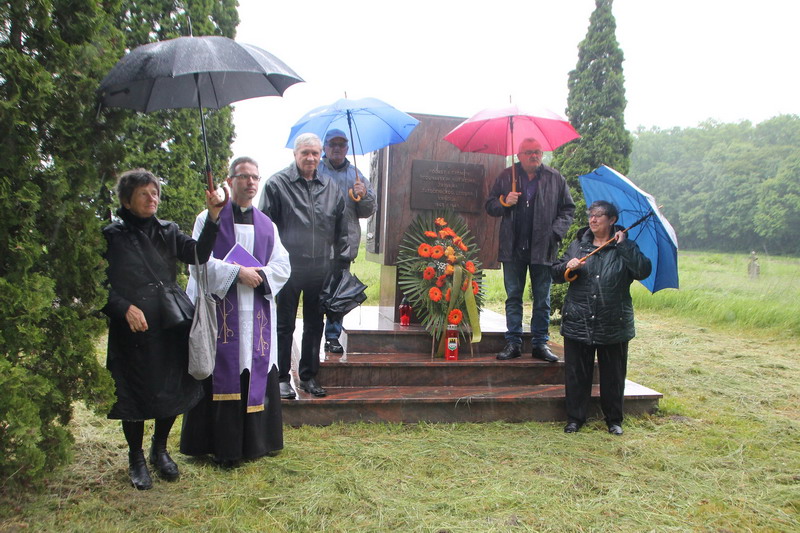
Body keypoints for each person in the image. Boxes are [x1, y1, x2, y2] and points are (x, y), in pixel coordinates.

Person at [102, 168, 223, 490]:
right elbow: (98, 284)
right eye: (143, 194)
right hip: (132, 328)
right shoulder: (111, 235)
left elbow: (198, 255)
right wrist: (123, 307)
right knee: (134, 392)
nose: (152, 198)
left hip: (169, 322)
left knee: (170, 388)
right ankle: (136, 457)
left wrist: (213, 218)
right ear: (127, 201)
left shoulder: (168, 231)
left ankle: (160, 449)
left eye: (154, 192)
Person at [180, 157, 291, 467]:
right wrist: (237, 273)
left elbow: (283, 266)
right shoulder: (208, 219)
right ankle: (217, 445)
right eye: (243, 176)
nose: (250, 182)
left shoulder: (268, 225)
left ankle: (256, 443)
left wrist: (260, 276)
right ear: (229, 181)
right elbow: (197, 263)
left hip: (256, 313)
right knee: (221, 369)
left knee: (254, 367)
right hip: (220, 313)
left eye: (255, 177)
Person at [260, 133, 348, 399]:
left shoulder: (331, 187)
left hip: (320, 266)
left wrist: (339, 264)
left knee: (314, 324)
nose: (310, 158)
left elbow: (341, 228)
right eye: (305, 153)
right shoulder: (277, 184)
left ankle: (308, 376)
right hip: (287, 266)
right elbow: (264, 228)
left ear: (321, 155)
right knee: (284, 323)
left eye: (315, 153)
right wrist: (268, 266)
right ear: (295, 154)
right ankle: (280, 378)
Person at [551, 200, 652, 435]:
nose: (593, 219)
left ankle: (614, 420)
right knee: (577, 374)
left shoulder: (626, 246)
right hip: (579, 319)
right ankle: (575, 418)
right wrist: (568, 266)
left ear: (612, 220)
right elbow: (555, 273)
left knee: (613, 375)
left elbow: (642, 270)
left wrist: (624, 247)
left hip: (613, 321)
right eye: (591, 215)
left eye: (598, 215)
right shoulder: (578, 245)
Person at [485, 137, 575, 362]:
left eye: (537, 152)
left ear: (542, 154)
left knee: (542, 299)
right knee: (513, 296)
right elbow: (490, 205)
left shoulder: (555, 178)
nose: (534, 156)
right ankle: (513, 342)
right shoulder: (507, 176)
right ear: (519, 156)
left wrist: (555, 233)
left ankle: (540, 344)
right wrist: (504, 201)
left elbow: (568, 209)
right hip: (513, 247)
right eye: (528, 152)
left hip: (543, 248)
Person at [318, 129, 376, 354]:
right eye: (332, 144)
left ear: (347, 148)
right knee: (316, 293)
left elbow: (368, 211)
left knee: (339, 293)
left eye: (341, 144)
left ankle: (332, 336)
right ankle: (313, 333)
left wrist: (365, 195)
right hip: (317, 245)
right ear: (325, 147)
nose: (337, 148)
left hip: (344, 244)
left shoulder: (357, 175)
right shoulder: (316, 171)